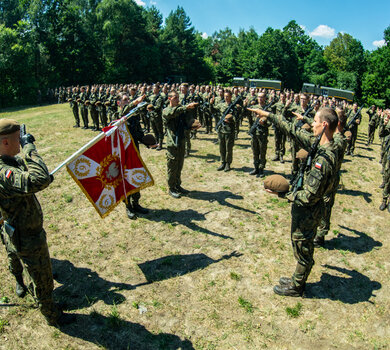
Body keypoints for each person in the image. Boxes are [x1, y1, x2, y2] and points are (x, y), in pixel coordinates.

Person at [249, 107, 338, 297]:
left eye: (315, 121)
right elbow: (293, 131)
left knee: (303, 247)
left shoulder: (323, 160)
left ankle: (297, 287)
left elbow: (309, 196)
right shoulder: (321, 144)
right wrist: (269, 115)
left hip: (309, 211)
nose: (311, 124)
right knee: (299, 244)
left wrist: (283, 194)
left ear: (324, 125)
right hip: (305, 209)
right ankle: (297, 279)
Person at [0, 119, 74, 326]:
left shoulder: (9, 161)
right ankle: (52, 315)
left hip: (18, 229)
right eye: (18, 140)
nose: (21, 143)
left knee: (28, 268)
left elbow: (37, 179)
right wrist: (30, 148)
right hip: (26, 235)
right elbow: (39, 179)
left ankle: (33, 293)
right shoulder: (3, 172)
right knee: (42, 278)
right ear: (5, 142)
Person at [118, 94, 149, 219]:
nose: (128, 101)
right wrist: (135, 102)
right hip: (123, 152)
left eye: (128, 99)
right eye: (125, 100)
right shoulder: (116, 115)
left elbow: (138, 131)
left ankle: (136, 203)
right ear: (119, 103)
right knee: (126, 179)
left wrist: (147, 142)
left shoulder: (133, 116)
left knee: (136, 174)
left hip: (134, 150)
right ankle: (128, 206)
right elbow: (123, 114)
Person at [162, 91, 197, 198]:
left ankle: (178, 185)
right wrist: (186, 107)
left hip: (181, 140)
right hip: (172, 143)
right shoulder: (166, 110)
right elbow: (172, 113)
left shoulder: (181, 109)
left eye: (178, 98)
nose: (178, 100)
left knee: (179, 165)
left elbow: (185, 121)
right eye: (175, 98)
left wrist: (192, 125)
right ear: (169, 98)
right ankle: (171, 188)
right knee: (172, 166)